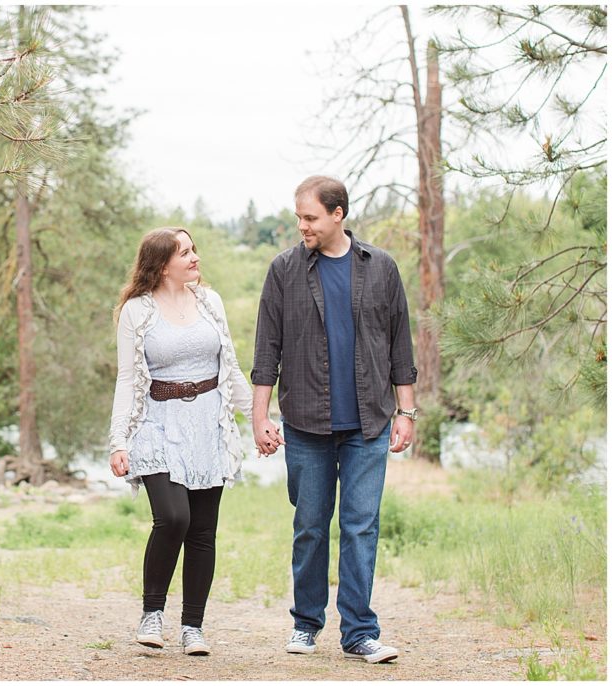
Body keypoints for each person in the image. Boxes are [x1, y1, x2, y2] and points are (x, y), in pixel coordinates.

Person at [251, 176, 418, 664]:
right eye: (299, 217)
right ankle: (306, 623)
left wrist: (406, 411)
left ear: (338, 214)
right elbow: (267, 350)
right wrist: (260, 418)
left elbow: (399, 344)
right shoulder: (283, 270)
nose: (301, 225)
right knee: (309, 525)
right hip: (306, 422)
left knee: (361, 526)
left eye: (310, 217)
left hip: (369, 422)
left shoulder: (381, 268)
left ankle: (360, 632)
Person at [109, 227, 253, 656]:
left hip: (208, 423)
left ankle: (193, 627)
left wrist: (261, 419)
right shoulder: (137, 311)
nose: (195, 258)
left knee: (203, 530)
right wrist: (119, 440)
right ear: (162, 263)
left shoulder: (211, 303)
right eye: (185, 253)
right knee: (173, 518)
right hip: (157, 423)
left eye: (193, 250)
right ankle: (152, 614)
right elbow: (128, 377)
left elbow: (230, 365)